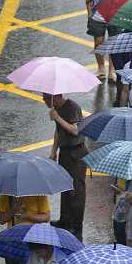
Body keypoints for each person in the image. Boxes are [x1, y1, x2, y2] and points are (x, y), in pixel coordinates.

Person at [45, 93, 87, 238]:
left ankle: (76, 225)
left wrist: (57, 118)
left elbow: (75, 130)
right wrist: (53, 151)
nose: (45, 101)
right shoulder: (57, 108)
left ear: (56, 96)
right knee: (65, 187)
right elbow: (58, 131)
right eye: (44, 98)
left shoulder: (72, 107)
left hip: (76, 152)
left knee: (76, 190)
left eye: (47, 98)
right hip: (65, 151)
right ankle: (65, 220)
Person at [86, 0, 128, 80]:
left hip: (115, 15)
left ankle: (112, 71)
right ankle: (101, 69)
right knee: (99, 42)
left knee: (113, 43)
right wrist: (89, 12)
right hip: (98, 14)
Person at [0, 194, 50, 264]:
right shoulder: (7, 195)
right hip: (14, 239)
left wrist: (27, 216)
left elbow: (46, 217)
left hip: (33, 238)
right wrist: (13, 209)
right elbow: (1, 219)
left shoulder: (39, 193)